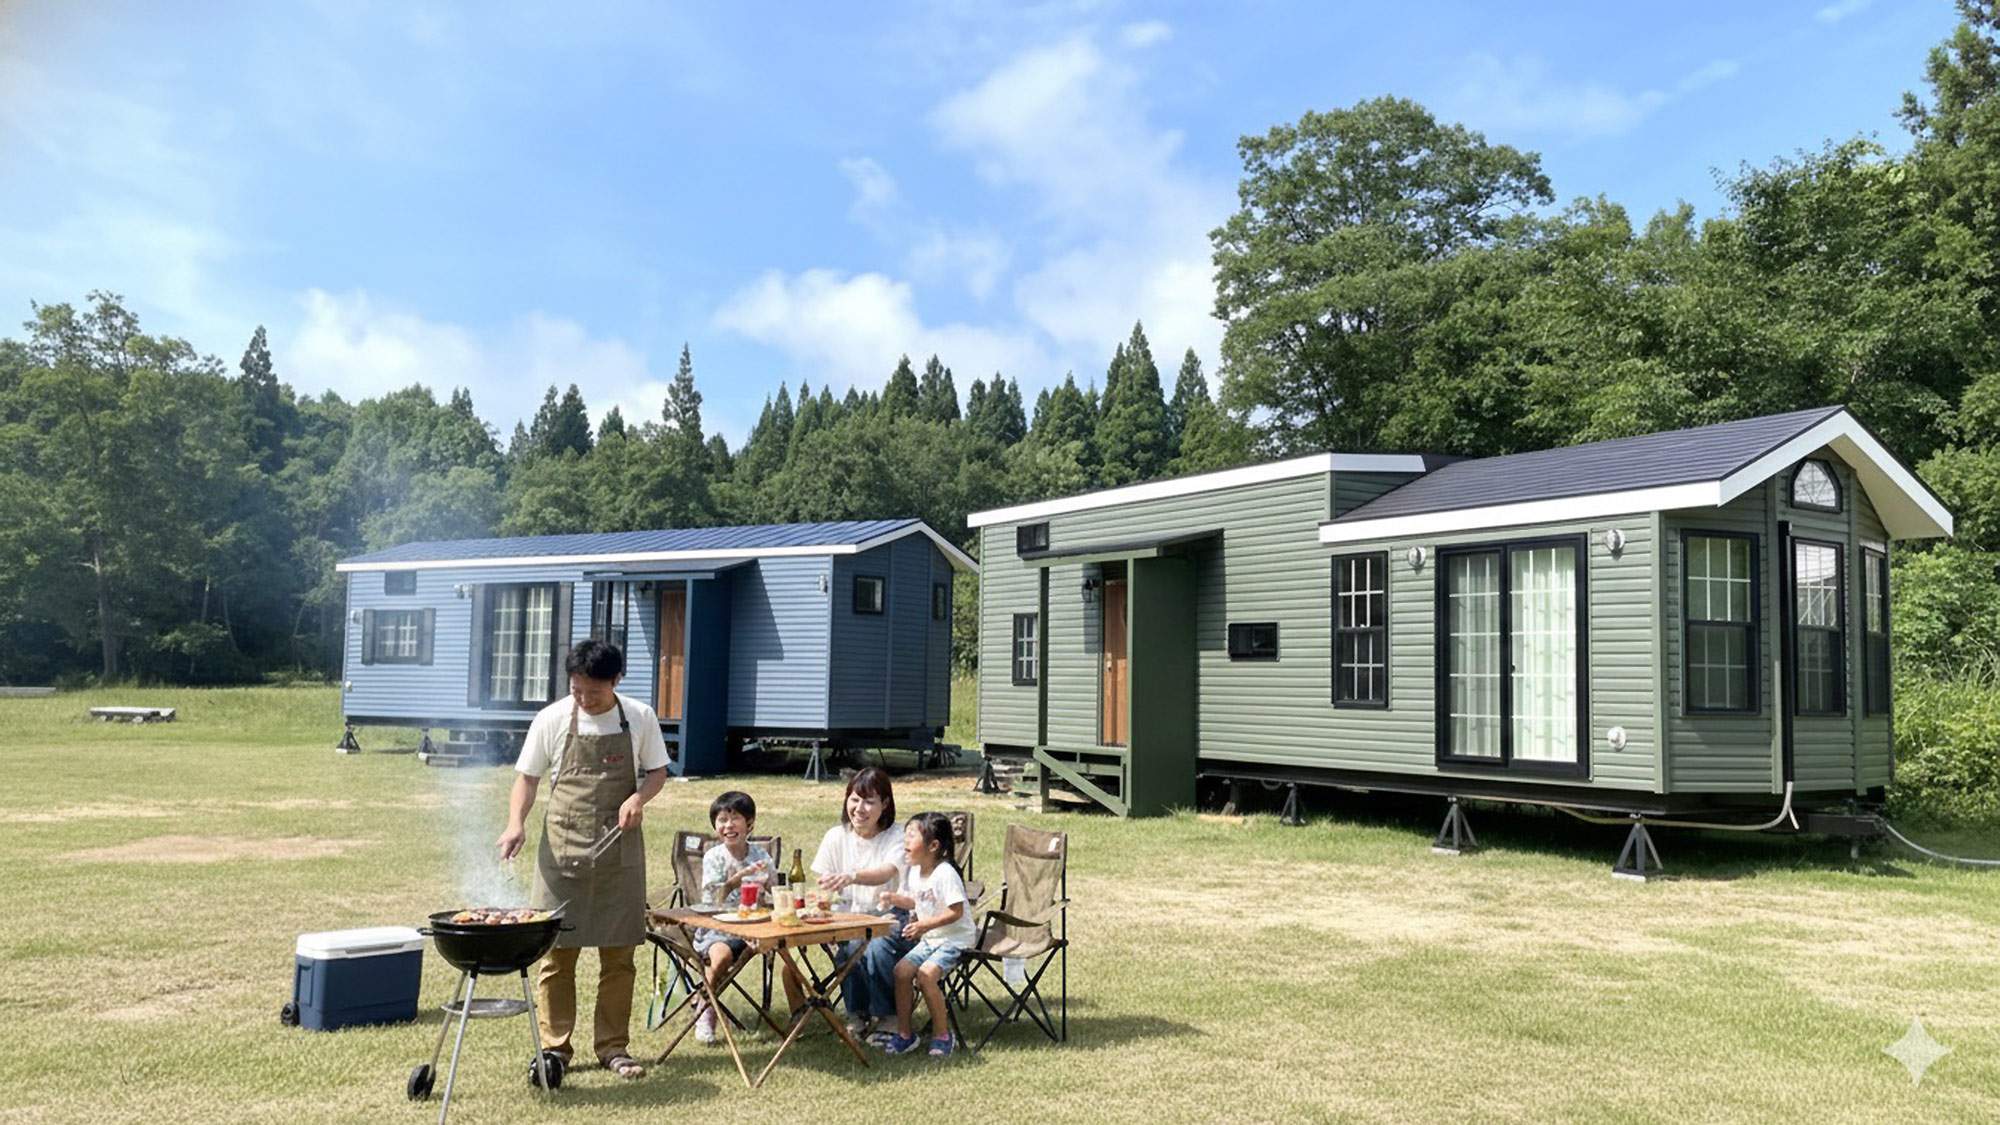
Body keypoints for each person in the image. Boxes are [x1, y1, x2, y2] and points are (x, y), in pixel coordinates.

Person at [497, 639, 668, 1080]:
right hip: (563, 852)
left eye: (593, 691)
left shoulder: (640, 717)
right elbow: (527, 779)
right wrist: (515, 823)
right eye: (577, 690)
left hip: (620, 851)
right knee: (557, 955)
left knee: (619, 956)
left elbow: (657, 772)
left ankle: (614, 1047)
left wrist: (638, 797)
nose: (585, 699)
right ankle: (555, 1049)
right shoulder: (552, 718)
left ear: (616, 681)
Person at [792, 766, 910, 1034]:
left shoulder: (897, 836)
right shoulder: (836, 836)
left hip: (891, 914)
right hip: (845, 916)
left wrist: (851, 877)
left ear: (885, 804)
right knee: (850, 944)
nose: (860, 808)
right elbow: (823, 882)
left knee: (873, 945)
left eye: (869, 801)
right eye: (855, 799)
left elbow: (887, 872)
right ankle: (858, 1014)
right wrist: (822, 897)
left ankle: (887, 1015)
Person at [880, 812, 976, 1059]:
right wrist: (894, 899)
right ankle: (905, 1034)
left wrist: (924, 925)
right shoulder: (915, 871)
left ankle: (942, 1034)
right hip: (933, 938)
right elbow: (916, 899)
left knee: (926, 975)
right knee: (901, 972)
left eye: (912, 835)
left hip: (955, 939)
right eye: (906, 835)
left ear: (934, 846)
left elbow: (956, 911)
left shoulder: (945, 873)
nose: (906, 841)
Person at [692, 790, 770, 1045]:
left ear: (749, 824)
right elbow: (712, 899)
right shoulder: (713, 857)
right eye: (722, 820)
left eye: (734, 818)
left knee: (784, 946)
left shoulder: (760, 856)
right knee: (721, 957)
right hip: (717, 926)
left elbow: (776, 892)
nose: (728, 825)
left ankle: (801, 1012)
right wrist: (735, 880)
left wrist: (768, 882)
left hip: (753, 926)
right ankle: (705, 1007)